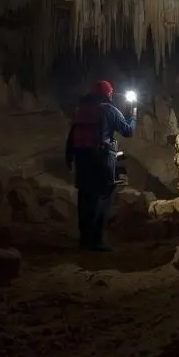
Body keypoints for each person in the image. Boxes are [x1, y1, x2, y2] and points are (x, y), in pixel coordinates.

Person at [65, 80, 137, 252]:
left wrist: (69, 158)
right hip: (101, 160)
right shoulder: (109, 110)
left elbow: (71, 136)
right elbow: (128, 131)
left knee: (85, 199)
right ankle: (96, 241)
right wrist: (133, 115)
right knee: (102, 199)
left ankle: (84, 239)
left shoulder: (81, 111)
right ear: (108, 94)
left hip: (82, 160)